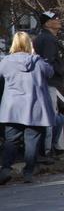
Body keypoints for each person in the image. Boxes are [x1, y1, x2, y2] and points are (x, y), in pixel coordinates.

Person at [0, 32, 57, 184]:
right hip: (35, 106)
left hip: (12, 107)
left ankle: (5, 169)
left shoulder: (5, 62)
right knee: (32, 140)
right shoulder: (37, 62)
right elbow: (50, 72)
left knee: (11, 140)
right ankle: (28, 172)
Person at [32, 11, 64, 158]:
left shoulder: (41, 38)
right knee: (50, 117)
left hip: (42, 83)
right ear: (46, 23)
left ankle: (46, 149)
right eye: (54, 19)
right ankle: (47, 150)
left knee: (50, 116)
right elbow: (47, 62)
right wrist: (55, 71)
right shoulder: (49, 40)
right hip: (48, 83)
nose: (58, 20)